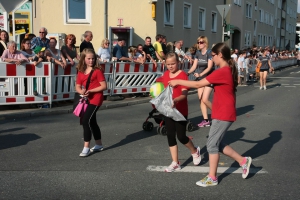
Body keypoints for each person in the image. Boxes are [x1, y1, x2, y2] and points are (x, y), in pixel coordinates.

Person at [169, 43, 252, 187]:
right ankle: (243, 161)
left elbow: (197, 85)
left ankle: (212, 177)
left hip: (224, 114)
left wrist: (178, 81)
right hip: (222, 112)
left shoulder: (222, 71)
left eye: (213, 55)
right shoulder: (224, 70)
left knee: (212, 145)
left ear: (220, 55)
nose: (211, 58)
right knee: (217, 144)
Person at [157, 52, 201, 172]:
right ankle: (175, 162)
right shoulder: (166, 74)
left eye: (173, 64)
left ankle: (194, 151)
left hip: (180, 110)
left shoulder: (182, 75)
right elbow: (162, 88)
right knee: (170, 135)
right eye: (168, 64)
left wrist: (176, 100)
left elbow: (184, 94)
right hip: (168, 110)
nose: (170, 66)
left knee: (181, 136)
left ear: (178, 63)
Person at [75, 48, 107, 157]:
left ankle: (86, 147)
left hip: (96, 98)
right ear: (83, 59)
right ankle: (99, 144)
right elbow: (78, 86)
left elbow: (104, 86)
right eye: (88, 59)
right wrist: (82, 92)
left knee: (85, 121)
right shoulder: (81, 71)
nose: (91, 61)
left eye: (93, 58)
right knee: (92, 121)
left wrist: (91, 91)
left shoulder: (97, 71)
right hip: (87, 99)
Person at [187, 36, 214, 128]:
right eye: (198, 42)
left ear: (205, 43)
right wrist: (187, 73)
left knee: (205, 99)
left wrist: (200, 74)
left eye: (201, 42)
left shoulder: (209, 53)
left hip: (209, 78)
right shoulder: (198, 53)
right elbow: (194, 66)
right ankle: (206, 120)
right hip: (200, 79)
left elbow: (210, 67)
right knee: (200, 99)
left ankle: (217, 114)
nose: (199, 44)